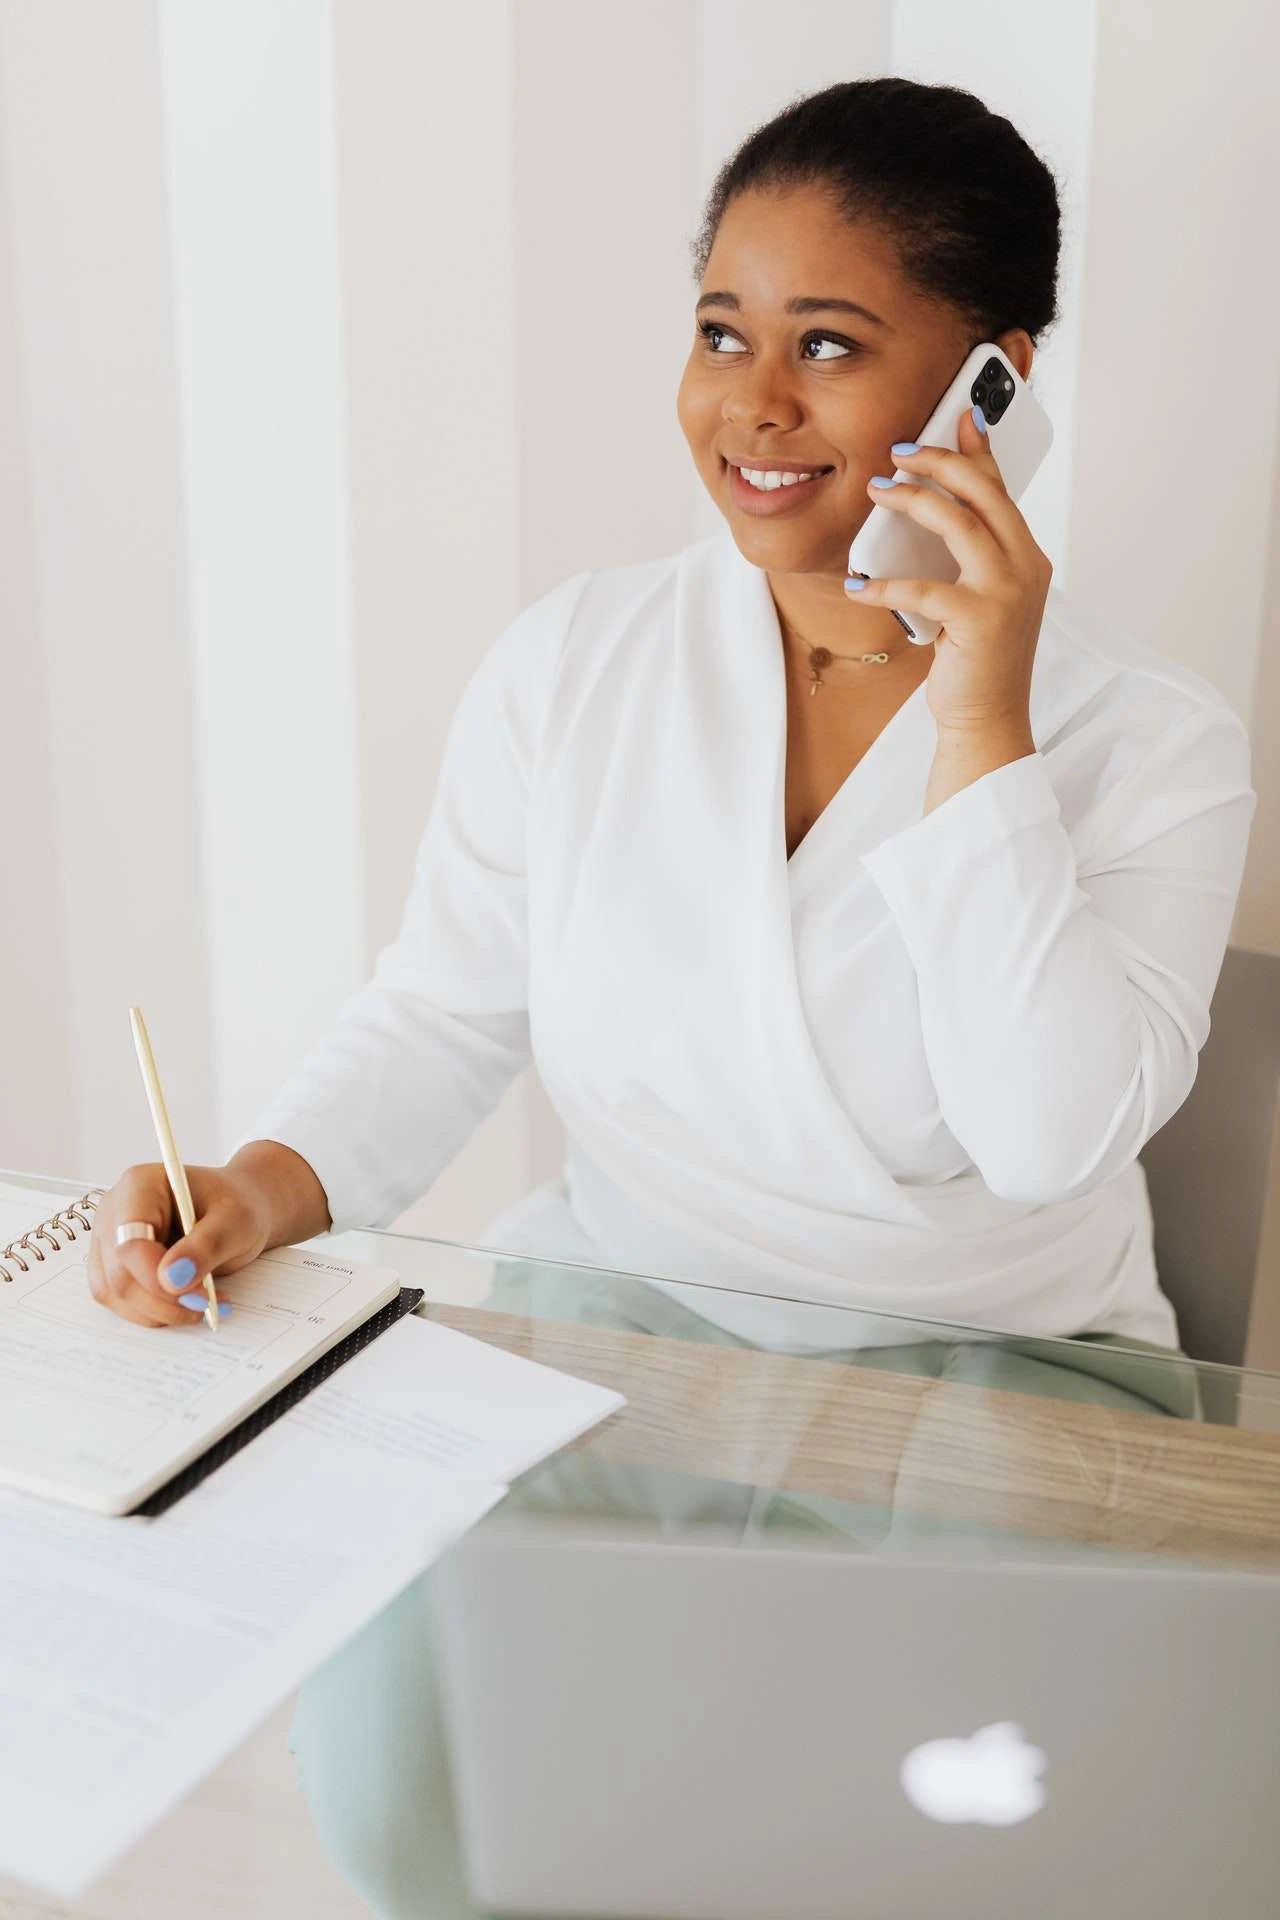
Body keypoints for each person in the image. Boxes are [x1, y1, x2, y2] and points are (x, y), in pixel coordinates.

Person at [86, 76, 1254, 1917]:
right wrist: (263, 1184)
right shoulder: (579, 663)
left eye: (831, 347)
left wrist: (981, 723)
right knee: (416, 1775)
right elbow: (446, 1005)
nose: (751, 406)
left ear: (993, 381)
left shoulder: (1152, 744)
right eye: (722, 332)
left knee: (890, 1841)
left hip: (992, 1385)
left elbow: (1043, 1141)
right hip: (616, 1329)